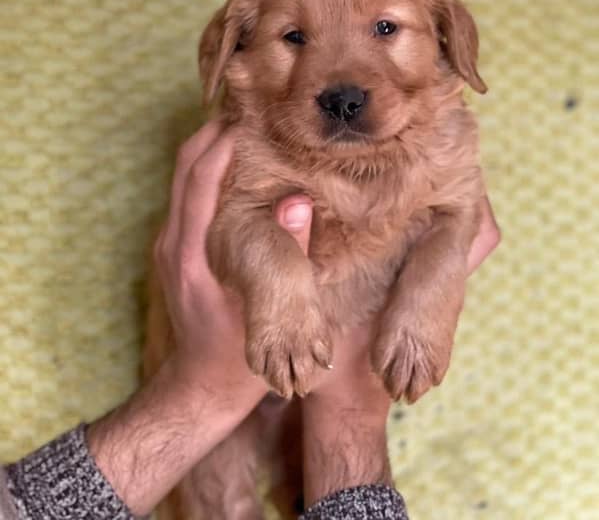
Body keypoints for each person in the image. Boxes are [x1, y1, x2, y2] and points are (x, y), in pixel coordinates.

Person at [0, 121, 500, 520]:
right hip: (232, 353)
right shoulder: (262, 137)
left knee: (280, 477)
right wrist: (351, 418)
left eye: (386, 28)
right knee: (220, 486)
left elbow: (456, 212)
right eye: (295, 37)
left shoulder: (435, 136)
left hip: (254, 386)